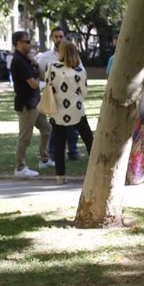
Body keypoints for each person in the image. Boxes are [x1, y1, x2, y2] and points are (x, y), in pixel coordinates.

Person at [46, 40, 94, 184]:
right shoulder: (80, 71)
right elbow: (84, 92)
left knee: (59, 143)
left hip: (58, 110)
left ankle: (60, 176)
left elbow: (48, 85)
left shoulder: (52, 67)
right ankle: (95, 171)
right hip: (76, 110)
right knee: (89, 140)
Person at [107, 32, 144, 185]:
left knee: (135, 140)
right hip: (123, 105)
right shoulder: (114, 59)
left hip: (134, 105)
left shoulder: (138, 59)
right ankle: (126, 174)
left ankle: (134, 174)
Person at [10, 30, 52, 178]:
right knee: (25, 137)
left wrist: (34, 61)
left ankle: (44, 159)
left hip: (36, 103)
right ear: (18, 44)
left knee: (47, 128)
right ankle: (20, 168)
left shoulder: (27, 59)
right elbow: (34, 84)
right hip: (26, 105)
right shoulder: (18, 61)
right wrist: (44, 84)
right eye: (27, 42)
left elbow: (41, 75)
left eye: (30, 41)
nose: (30, 44)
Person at [37, 26, 81, 162]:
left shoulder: (73, 55)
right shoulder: (45, 57)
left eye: (61, 36)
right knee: (55, 126)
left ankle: (73, 152)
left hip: (72, 97)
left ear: (65, 37)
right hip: (55, 98)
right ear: (52, 38)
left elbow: (81, 71)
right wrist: (46, 86)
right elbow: (38, 74)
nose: (58, 39)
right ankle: (53, 153)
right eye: (56, 37)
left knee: (73, 127)